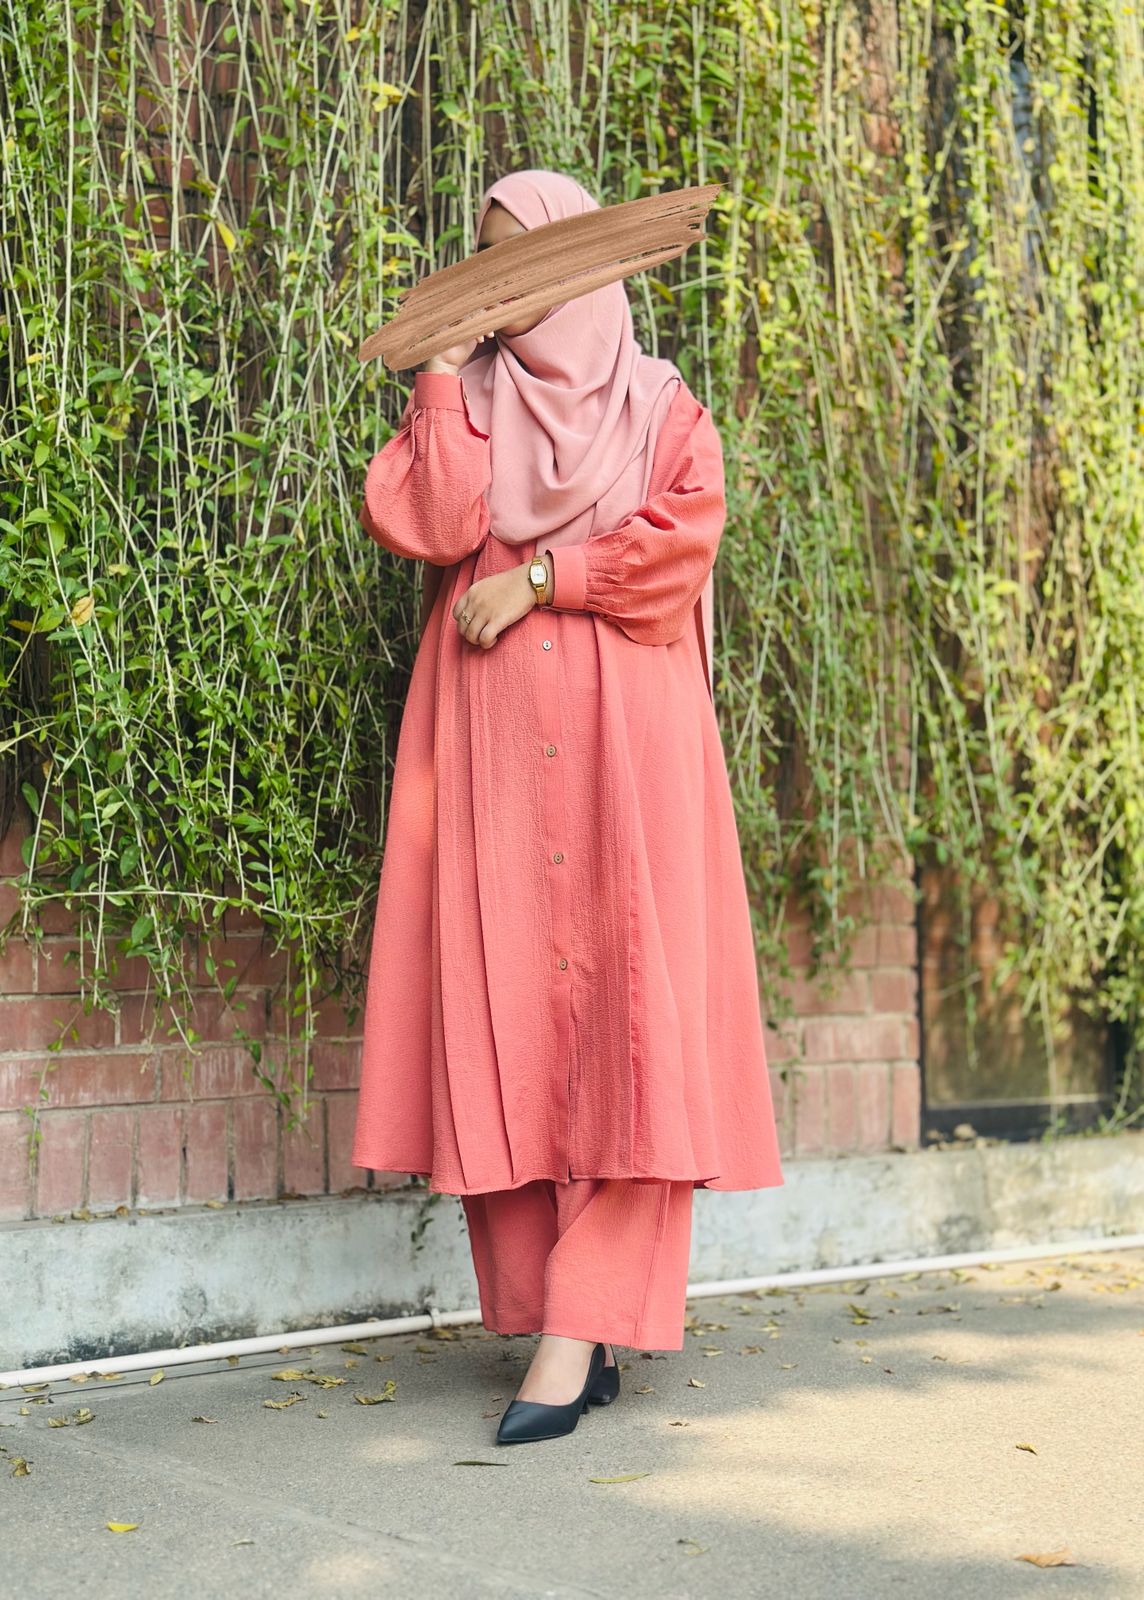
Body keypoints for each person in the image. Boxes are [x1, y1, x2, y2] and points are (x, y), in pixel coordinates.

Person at [351, 169, 784, 1446]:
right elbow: (435, 523)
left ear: (578, 266)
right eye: (484, 266)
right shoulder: (471, 399)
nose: (504, 292)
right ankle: (562, 1318)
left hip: (625, 749)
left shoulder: (660, 406)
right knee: (506, 1018)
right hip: (486, 748)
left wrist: (546, 576)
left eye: (521, 265)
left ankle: (578, 1326)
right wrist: (439, 372)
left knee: (634, 1020)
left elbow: (680, 545)